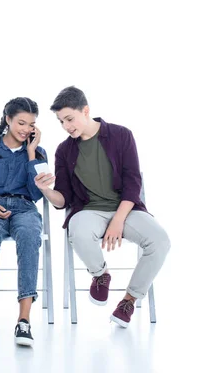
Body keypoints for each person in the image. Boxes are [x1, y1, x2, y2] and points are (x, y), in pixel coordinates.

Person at [35, 86, 171, 328]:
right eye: (61, 121)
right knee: (77, 230)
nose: (66, 126)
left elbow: (132, 182)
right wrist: (45, 190)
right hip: (89, 210)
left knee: (160, 241)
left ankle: (129, 300)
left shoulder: (121, 135)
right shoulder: (64, 150)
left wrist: (118, 221)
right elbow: (64, 200)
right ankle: (100, 275)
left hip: (127, 209)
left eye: (69, 119)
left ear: (85, 111)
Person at [0, 97, 48, 347]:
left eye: (31, 124)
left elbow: (37, 194)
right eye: (21, 123)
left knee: (28, 235)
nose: (25, 129)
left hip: (25, 208)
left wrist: (32, 153)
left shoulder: (39, 152)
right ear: (8, 120)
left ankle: (24, 321)